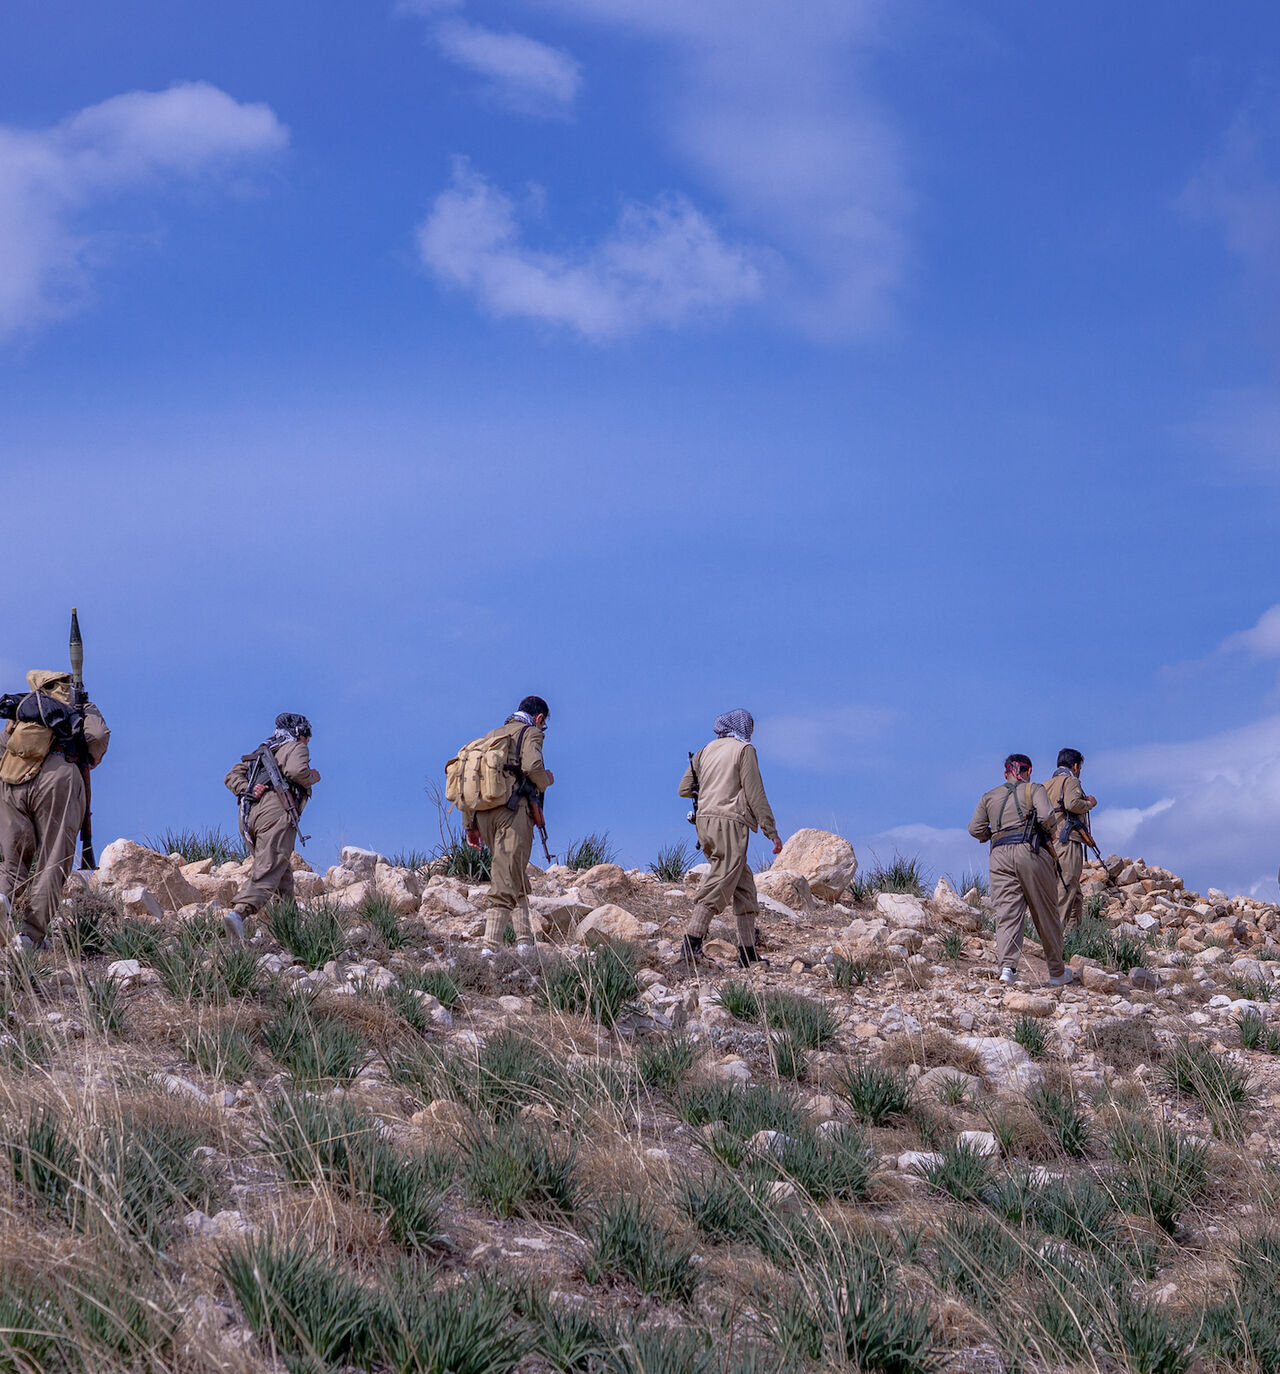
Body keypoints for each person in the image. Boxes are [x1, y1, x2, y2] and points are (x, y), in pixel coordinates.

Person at [0, 670, 110, 950]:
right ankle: (31, 937)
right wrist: (88, 757)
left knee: (14, 861)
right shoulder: (78, 704)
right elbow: (97, 736)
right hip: (57, 779)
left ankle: (3, 898)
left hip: (11, 779)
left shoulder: (25, 706)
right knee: (54, 858)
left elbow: (4, 746)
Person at [677, 709, 782, 969]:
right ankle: (690, 945)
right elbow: (755, 792)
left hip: (704, 823)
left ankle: (747, 955)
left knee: (744, 886)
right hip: (730, 824)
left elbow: (684, 788)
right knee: (722, 877)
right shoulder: (743, 750)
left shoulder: (704, 751)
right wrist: (771, 831)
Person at [968, 753, 1072, 987]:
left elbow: (975, 829)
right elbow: (1047, 816)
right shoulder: (1034, 789)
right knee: (1045, 911)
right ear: (1029, 771)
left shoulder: (989, 796)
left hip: (999, 855)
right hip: (1030, 850)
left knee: (1007, 913)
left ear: (1005, 773)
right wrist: (1048, 828)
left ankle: (1008, 968)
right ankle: (1056, 972)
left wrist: (992, 834)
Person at [462, 696, 554, 958]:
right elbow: (533, 766)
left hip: (483, 815)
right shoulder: (531, 734)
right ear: (539, 718)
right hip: (513, 813)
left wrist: (470, 825)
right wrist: (545, 781)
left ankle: (525, 943)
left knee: (514, 873)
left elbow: (471, 780)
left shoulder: (491, 735)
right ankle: (489, 950)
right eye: (544, 723)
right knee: (505, 877)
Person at [224, 713, 321, 937]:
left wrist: (246, 789)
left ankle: (289, 931)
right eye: (306, 735)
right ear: (299, 733)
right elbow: (297, 771)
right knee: (270, 866)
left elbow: (232, 775)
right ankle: (239, 914)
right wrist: (313, 777)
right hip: (276, 811)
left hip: (249, 815)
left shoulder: (262, 751)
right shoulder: (294, 747)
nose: (307, 741)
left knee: (281, 871)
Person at [1042, 747, 1097, 932]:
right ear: (1075, 766)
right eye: (1079, 767)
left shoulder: (1045, 785)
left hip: (1048, 843)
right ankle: (1056, 940)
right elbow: (1072, 804)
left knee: (1072, 892)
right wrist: (1089, 803)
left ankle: (1072, 940)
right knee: (1066, 890)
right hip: (1068, 842)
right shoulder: (1071, 781)